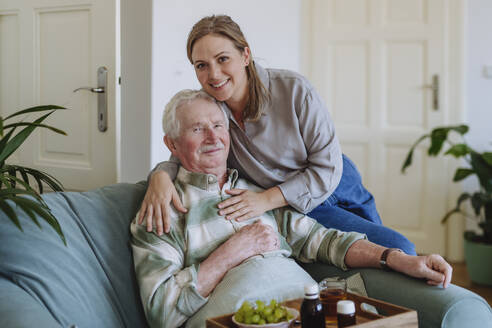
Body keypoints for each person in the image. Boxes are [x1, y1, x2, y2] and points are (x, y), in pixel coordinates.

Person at [130, 89, 452, 328]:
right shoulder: (162, 210)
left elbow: (326, 241)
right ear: (171, 144)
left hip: (309, 312)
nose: (213, 137)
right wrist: (233, 251)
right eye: (198, 129)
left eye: (218, 125)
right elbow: (162, 310)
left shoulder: (257, 194)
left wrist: (398, 258)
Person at [139, 14, 416, 255]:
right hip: (295, 204)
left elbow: (327, 167)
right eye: (201, 65)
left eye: (223, 59)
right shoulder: (210, 108)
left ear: (245, 55)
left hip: (336, 182)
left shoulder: (294, 89)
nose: (213, 74)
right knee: (390, 252)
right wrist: (160, 177)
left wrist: (263, 200)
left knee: (394, 254)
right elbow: (185, 148)